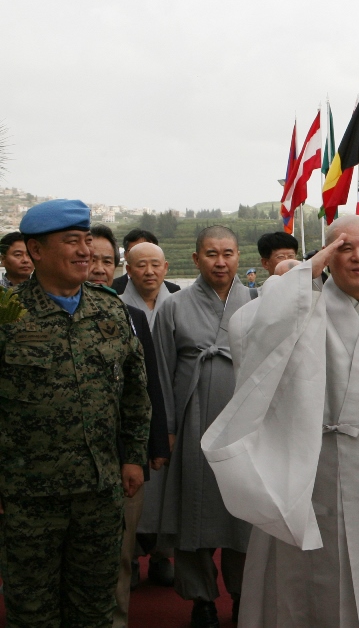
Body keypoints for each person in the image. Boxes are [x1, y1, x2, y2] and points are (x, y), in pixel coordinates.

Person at [202, 215, 359, 627]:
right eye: (343, 248)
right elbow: (245, 331)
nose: (357, 257)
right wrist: (301, 277)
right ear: (326, 256)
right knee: (314, 583)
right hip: (316, 468)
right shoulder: (301, 305)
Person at [0, 199, 151, 627]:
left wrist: (133, 455)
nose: (85, 250)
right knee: (32, 611)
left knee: (95, 608)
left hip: (99, 493)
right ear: (35, 250)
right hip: (29, 496)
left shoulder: (109, 309)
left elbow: (136, 393)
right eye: (71, 241)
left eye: (87, 240)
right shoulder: (7, 314)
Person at [153, 225, 252, 628]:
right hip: (192, 419)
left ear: (238, 257)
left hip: (244, 423)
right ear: (195, 259)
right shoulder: (173, 307)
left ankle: (246, 595)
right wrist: (168, 429)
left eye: (228, 253)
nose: (220, 261)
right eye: (211, 254)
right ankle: (202, 599)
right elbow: (159, 374)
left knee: (245, 513)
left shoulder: (255, 302)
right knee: (192, 513)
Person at [87, 224, 173, 627]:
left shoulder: (132, 317)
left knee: (119, 555)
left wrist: (152, 448)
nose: (99, 268)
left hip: (118, 459)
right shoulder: (19, 312)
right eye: (92, 259)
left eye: (107, 261)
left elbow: (148, 388)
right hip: (52, 469)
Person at [112, 228, 180, 295]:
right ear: (125, 255)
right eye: (135, 251)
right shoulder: (112, 289)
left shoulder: (173, 291)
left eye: (155, 265)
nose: (149, 272)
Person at [120, 242, 172, 329]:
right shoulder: (115, 306)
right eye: (142, 266)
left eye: (155, 265)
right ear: (129, 270)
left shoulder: (179, 305)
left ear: (165, 268)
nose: (149, 272)